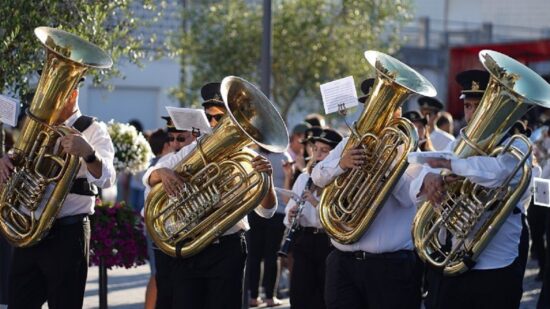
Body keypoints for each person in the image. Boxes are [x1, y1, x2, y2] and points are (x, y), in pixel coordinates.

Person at [142, 81, 278, 309]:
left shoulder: (248, 159)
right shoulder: (192, 150)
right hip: (189, 247)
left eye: (220, 117)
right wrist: (161, 173)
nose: (215, 124)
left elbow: (267, 211)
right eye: (210, 118)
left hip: (227, 248)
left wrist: (268, 180)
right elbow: (149, 176)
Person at [413, 69, 534, 309]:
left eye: (479, 106)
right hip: (455, 259)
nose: (472, 114)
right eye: (468, 106)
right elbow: (427, 169)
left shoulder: (516, 144)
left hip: (496, 265)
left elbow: (500, 173)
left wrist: (453, 165)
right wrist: (430, 179)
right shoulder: (459, 142)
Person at [0, 76, 116, 309]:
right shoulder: (39, 127)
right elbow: (20, 164)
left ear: (72, 95)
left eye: (55, 95)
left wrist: (88, 153)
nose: (48, 101)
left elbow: (108, 178)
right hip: (29, 232)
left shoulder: (94, 129)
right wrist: (6, 162)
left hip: (68, 233)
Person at [311, 98, 423, 309]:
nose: (376, 113)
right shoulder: (348, 144)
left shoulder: (408, 150)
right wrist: (341, 164)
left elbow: (409, 197)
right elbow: (317, 175)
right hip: (342, 262)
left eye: (385, 107)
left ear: (398, 113)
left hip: (389, 266)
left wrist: (384, 167)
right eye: (371, 107)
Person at [284, 128, 342, 309]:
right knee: (300, 294)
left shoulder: (340, 181)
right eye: (315, 149)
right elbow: (288, 213)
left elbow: (338, 216)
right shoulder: (304, 178)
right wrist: (291, 214)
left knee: (325, 295)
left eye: (324, 151)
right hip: (305, 239)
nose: (317, 154)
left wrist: (315, 203)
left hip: (329, 242)